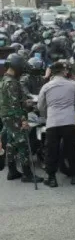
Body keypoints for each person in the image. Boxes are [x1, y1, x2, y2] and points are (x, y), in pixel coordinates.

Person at [37, 61, 75, 187]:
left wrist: (47, 116)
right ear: (63, 72)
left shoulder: (46, 87)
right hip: (69, 122)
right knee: (72, 150)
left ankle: (51, 179)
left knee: (51, 151)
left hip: (52, 123)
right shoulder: (71, 84)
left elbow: (40, 106)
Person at [0, 54, 43, 184]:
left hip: (6, 116)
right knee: (23, 143)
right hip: (14, 116)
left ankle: (12, 171)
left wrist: (26, 102)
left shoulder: (3, 80)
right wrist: (23, 120)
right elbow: (15, 105)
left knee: (11, 144)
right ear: (16, 66)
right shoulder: (12, 83)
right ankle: (27, 174)